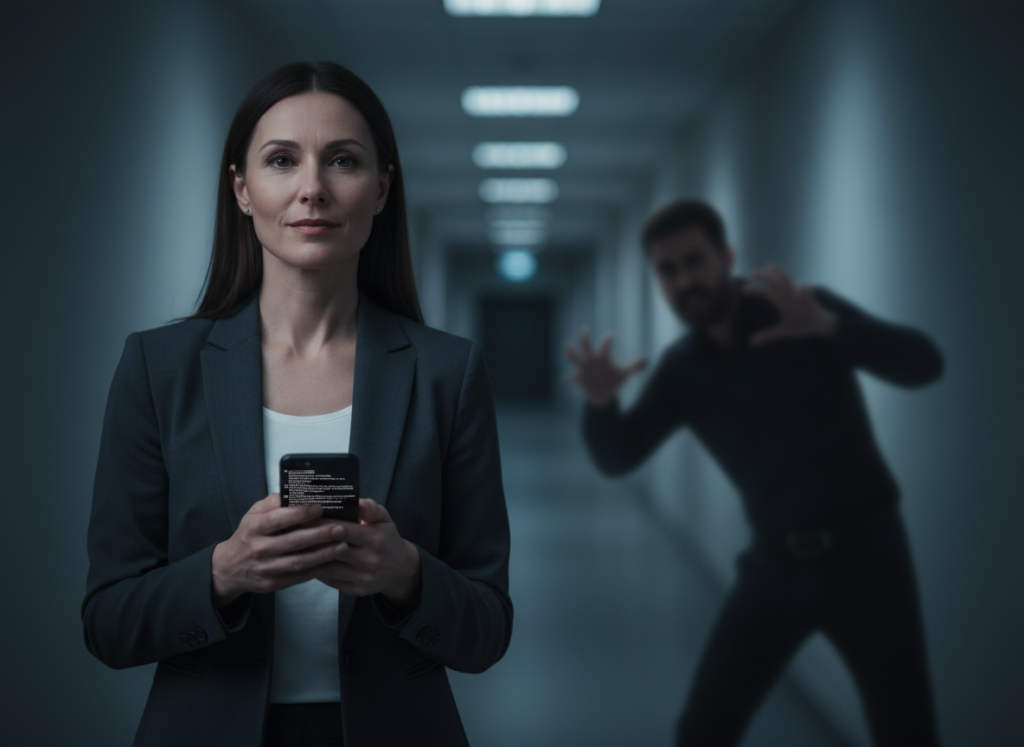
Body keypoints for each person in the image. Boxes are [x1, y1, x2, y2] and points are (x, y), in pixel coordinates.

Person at [82, 61, 512, 747]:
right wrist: (223, 572)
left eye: (343, 160)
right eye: (282, 160)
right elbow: (107, 621)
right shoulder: (157, 370)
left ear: (381, 190)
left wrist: (406, 574)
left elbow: (488, 628)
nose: (312, 188)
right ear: (242, 190)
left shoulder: (447, 371)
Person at [565, 199, 943, 746]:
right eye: (668, 271)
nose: (684, 280)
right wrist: (601, 407)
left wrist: (832, 327)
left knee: (907, 733)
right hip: (774, 567)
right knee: (702, 731)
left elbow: (923, 363)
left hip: (870, 560)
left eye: (695, 261)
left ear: (727, 257)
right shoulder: (683, 369)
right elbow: (619, 456)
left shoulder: (800, 316)